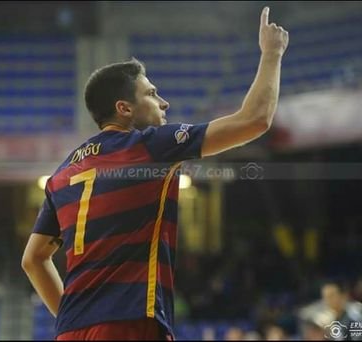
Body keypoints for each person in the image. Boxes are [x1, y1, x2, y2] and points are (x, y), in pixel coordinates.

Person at [21, 7, 288, 341]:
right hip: (129, 323)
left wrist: (71, 318)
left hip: (71, 332)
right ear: (124, 108)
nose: (164, 103)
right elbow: (254, 120)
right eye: (151, 93)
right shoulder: (149, 145)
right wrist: (272, 53)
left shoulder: (63, 173)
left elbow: (33, 260)